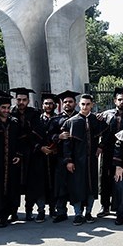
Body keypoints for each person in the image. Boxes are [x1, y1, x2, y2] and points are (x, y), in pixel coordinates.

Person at [62, 94, 109, 226]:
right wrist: (69, 160)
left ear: (92, 105)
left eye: (88, 104)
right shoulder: (71, 121)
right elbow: (67, 144)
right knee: (77, 187)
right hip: (77, 161)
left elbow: (107, 132)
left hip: (92, 161)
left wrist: (101, 146)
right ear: (79, 105)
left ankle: (88, 212)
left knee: (91, 186)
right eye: (83, 104)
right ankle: (78, 214)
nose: (85, 107)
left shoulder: (97, 120)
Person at [97, 88, 123, 217]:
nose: (122, 102)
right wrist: (100, 146)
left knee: (121, 179)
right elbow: (101, 132)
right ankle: (105, 206)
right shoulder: (107, 114)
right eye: (120, 100)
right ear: (115, 101)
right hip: (108, 151)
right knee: (105, 178)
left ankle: (120, 206)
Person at [0, 96, 25, 228]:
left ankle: (7, 215)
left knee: (11, 188)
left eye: (8, 108)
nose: (6, 110)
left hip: (11, 162)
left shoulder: (14, 123)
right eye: (3, 107)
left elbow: (21, 140)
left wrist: (18, 154)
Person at [26, 93, 59, 222]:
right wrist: (40, 148)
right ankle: (40, 211)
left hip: (54, 158)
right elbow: (30, 138)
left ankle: (53, 209)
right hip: (39, 158)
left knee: (53, 184)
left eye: (51, 103)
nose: (48, 106)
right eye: (46, 103)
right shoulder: (36, 120)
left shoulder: (58, 119)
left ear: (55, 105)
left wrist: (54, 148)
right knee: (40, 185)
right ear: (42, 105)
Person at [49, 90, 80, 223]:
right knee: (61, 185)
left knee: (76, 185)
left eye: (70, 102)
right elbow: (49, 135)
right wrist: (58, 137)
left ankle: (79, 212)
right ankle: (61, 211)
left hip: (78, 157)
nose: (68, 104)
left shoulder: (81, 118)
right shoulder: (56, 120)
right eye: (65, 102)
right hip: (61, 157)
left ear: (75, 103)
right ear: (62, 103)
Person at [10, 87, 39, 220]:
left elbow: (37, 133)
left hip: (31, 153)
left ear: (28, 100)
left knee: (31, 183)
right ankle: (13, 212)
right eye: (19, 99)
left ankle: (28, 211)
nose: (21, 102)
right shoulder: (10, 113)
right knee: (14, 184)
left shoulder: (34, 114)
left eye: (24, 100)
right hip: (14, 153)